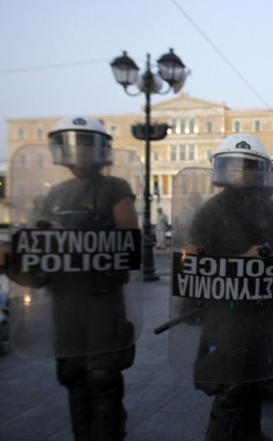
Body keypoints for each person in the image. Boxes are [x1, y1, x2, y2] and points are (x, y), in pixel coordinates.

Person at [5, 116, 141, 440]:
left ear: (100, 150)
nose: (79, 151)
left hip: (102, 300)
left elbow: (129, 242)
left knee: (102, 377)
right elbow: (37, 250)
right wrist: (15, 256)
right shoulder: (55, 195)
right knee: (73, 375)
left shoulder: (114, 188)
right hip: (66, 300)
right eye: (74, 144)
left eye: (86, 144)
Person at [181, 134, 273, 441]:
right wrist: (240, 261)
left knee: (254, 377)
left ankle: (251, 433)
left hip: (260, 307)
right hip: (227, 313)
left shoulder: (263, 207)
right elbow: (190, 262)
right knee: (230, 386)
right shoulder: (211, 210)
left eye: (249, 166)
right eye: (236, 165)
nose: (243, 172)